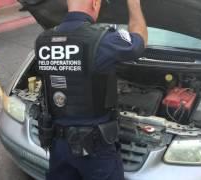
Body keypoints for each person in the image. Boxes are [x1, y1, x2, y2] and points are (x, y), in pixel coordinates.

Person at [35, 0, 147, 179]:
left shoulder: (43, 40)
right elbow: (139, 42)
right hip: (95, 150)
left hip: (57, 144)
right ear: (95, 3)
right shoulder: (103, 40)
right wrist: (134, 4)